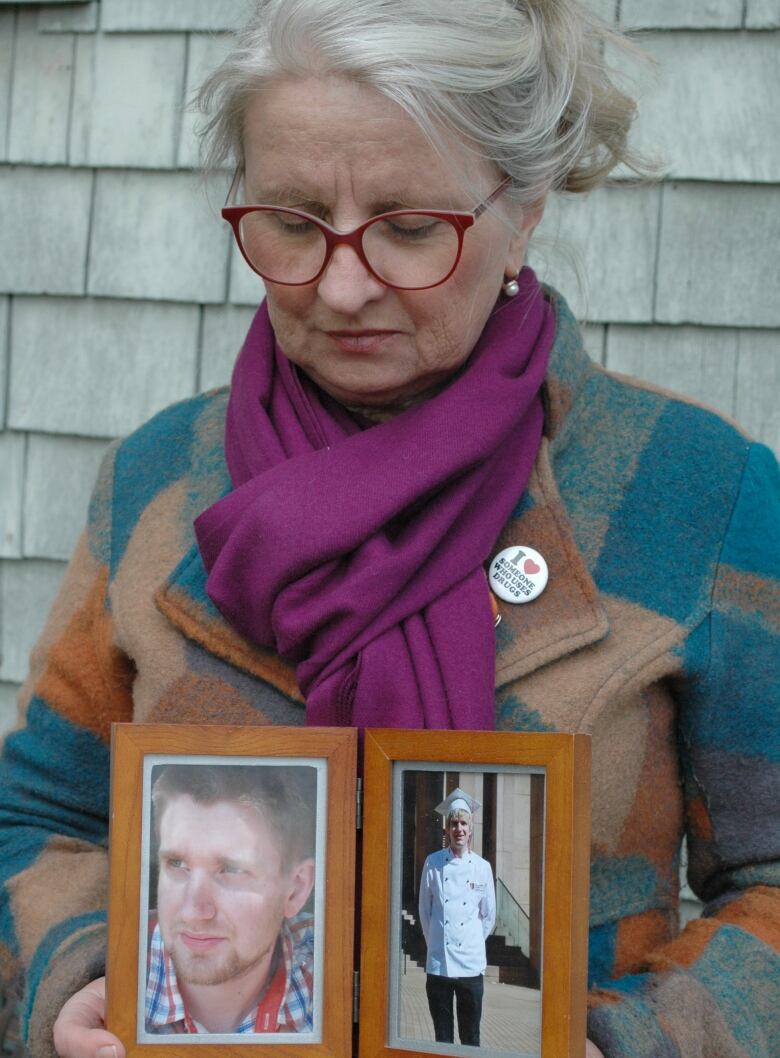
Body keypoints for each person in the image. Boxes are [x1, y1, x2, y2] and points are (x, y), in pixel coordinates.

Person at [0, 1, 776, 1057]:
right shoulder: (154, 483)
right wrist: (79, 979)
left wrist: (637, 1042)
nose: (345, 283)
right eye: (293, 221)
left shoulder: (694, 489)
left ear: (526, 207)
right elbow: (40, 813)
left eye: (412, 228)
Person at [144, 765, 316, 1035]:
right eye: (177, 863)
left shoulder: (335, 970)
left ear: (295, 889)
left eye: (232, 870)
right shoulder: (114, 967)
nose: (193, 911)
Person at [418, 789, 496, 1047]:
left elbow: (488, 916)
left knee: (471, 1038)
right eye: (454, 824)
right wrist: (439, 943)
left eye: (463, 823)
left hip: (471, 966)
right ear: (447, 829)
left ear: (470, 830)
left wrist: (471, 941)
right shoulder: (433, 863)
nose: (459, 829)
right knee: (442, 1038)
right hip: (440, 964)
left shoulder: (483, 867)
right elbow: (425, 912)